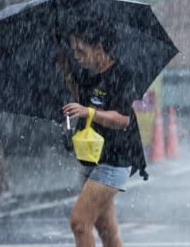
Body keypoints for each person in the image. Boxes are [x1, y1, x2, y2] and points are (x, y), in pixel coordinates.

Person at [56, 20, 148, 247]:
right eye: (73, 50)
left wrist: (88, 112)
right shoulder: (91, 74)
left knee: (80, 222)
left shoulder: (121, 76)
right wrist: (66, 68)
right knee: (106, 231)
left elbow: (122, 119)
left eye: (81, 50)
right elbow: (82, 97)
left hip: (114, 161)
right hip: (93, 159)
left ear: (99, 48)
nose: (77, 55)